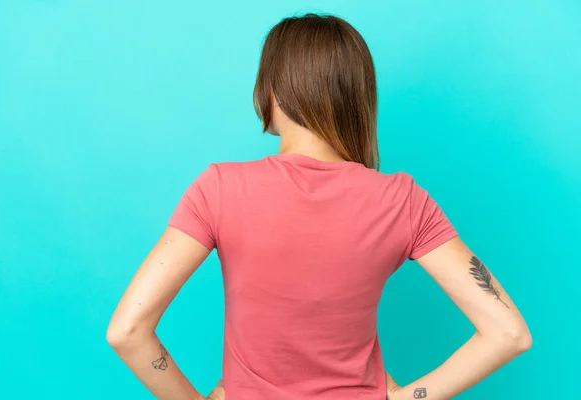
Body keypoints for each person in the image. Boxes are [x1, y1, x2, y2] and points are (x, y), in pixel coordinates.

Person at [106, 12, 531, 400]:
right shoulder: (402, 200)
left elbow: (128, 331)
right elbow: (508, 333)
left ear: (272, 87)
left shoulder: (219, 188)